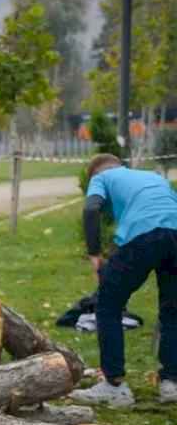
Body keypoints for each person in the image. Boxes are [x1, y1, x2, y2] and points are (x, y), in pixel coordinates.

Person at [70, 153, 177, 407]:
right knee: (172, 309)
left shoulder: (102, 177)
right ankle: (171, 383)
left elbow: (91, 209)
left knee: (108, 304)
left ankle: (114, 385)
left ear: (94, 173)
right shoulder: (152, 176)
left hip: (144, 233)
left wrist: (94, 253)